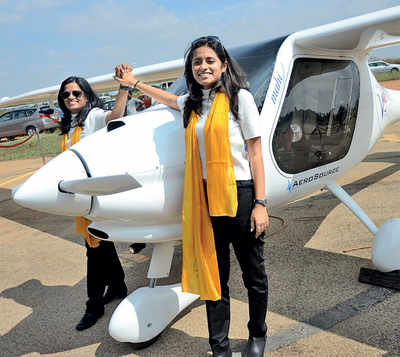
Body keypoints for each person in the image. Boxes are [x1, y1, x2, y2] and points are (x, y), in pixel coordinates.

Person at [114, 36, 269, 357]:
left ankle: (257, 334)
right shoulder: (193, 104)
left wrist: (260, 203)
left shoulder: (240, 99)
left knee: (253, 273)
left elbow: (255, 152)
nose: (203, 67)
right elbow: (169, 99)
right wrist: (134, 83)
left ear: (224, 65)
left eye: (209, 60)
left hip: (239, 196)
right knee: (214, 275)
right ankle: (219, 346)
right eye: (197, 62)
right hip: (204, 200)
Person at [58, 66, 132, 331]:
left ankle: (94, 305)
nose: (71, 97)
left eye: (76, 92)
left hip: (95, 196)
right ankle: (118, 284)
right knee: (99, 244)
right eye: (66, 94)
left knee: (94, 250)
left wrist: (123, 89)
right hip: (80, 196)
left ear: (86, 96)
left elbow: (115, 116)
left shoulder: (94, 117)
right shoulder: (68, 125)